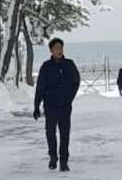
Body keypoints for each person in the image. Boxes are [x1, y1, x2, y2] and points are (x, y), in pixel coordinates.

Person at [34, 38, 81, 172]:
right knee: (50, 133)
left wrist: (69, 97)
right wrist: (36, 106)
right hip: (50, 105)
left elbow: (76, 82)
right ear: (51, 50)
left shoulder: (69, 64)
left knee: (65, 133)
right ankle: (53, 157)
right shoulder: (46, 66)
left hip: (65, 105)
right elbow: (40, 87)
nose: (59, 50)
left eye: (60, 47)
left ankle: (64, 161)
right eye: (56, 48)